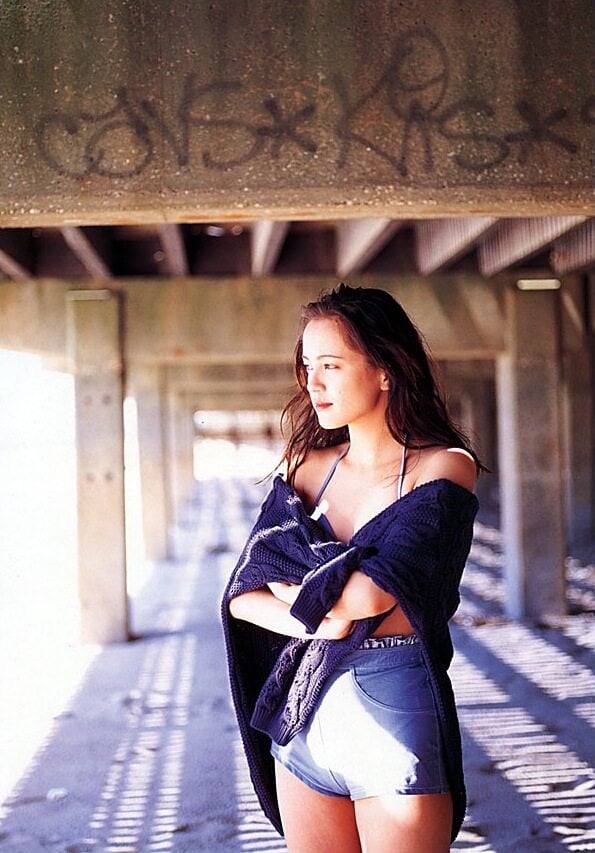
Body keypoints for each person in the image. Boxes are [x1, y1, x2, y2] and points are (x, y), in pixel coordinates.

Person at [222, 283, 482, 853]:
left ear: (385, 369)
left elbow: (369, 596)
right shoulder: (305, 468)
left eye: (332, 365)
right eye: (308, 365)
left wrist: (293, 588)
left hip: (391, 706)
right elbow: (242, 593)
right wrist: (321, 620)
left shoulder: (442, 469)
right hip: (302, 716)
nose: (313, 383)